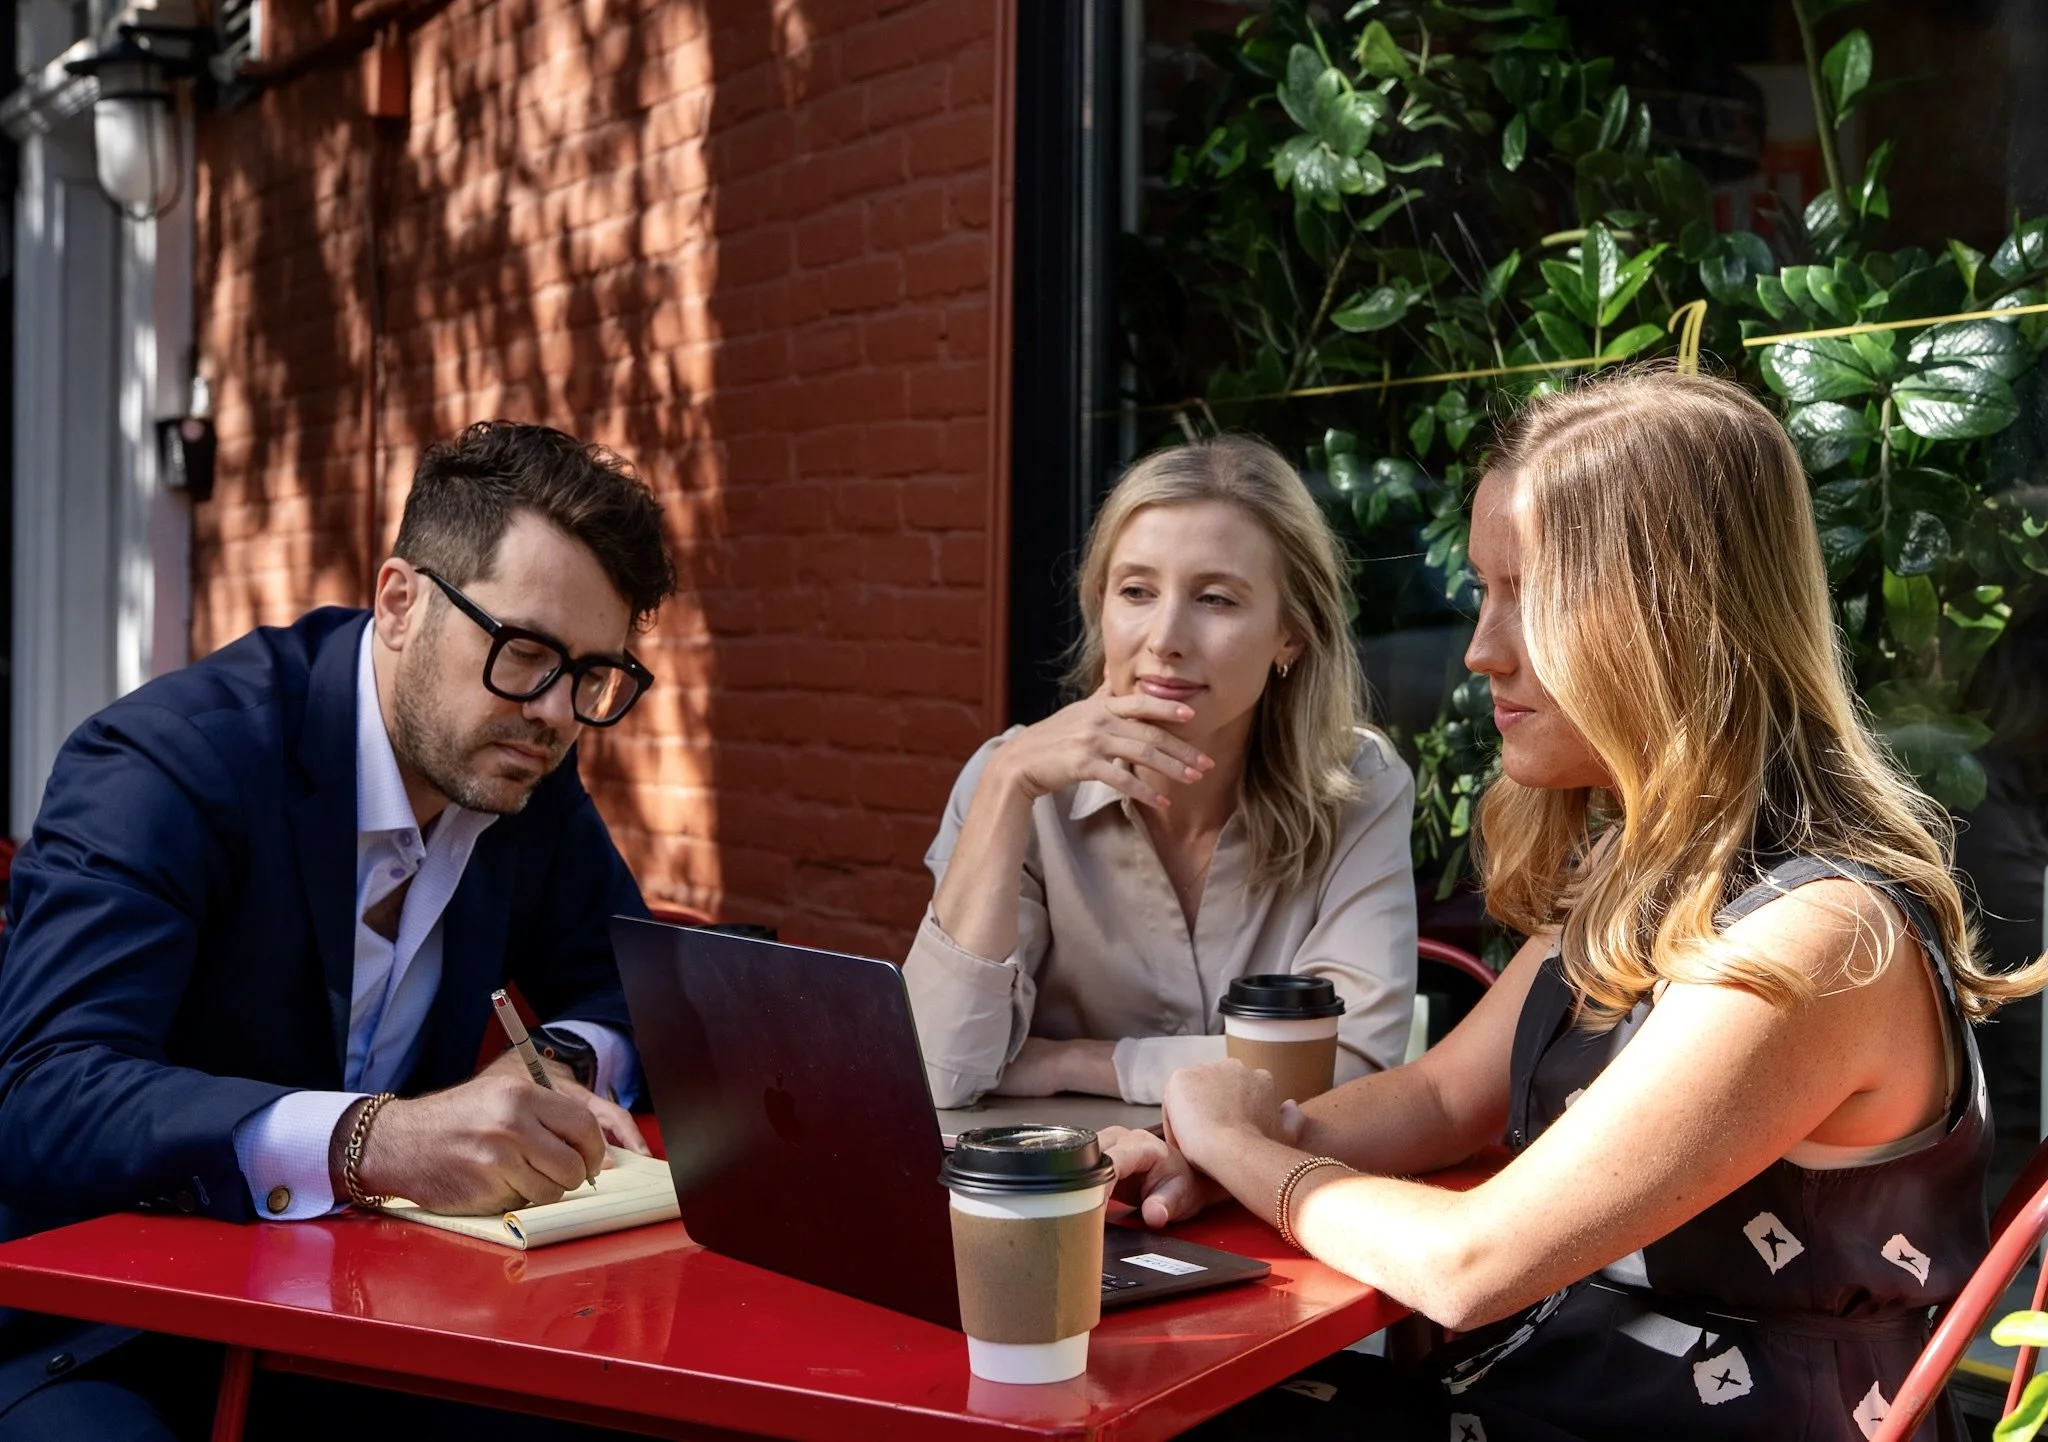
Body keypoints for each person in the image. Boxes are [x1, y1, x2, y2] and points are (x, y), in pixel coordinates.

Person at [1103, 370, 2048, 1441]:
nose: (1479, 648)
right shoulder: (1645, 871)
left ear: (1670, 620)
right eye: (1481, 590)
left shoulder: (1818, 936)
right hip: (1544, 1397)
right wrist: (1207, 1149)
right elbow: (1436, 1098)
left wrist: (1244, 1151)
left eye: (1527, 596)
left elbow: (1468, 1264)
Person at [0, 421, 677, 1439]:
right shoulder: (170, 763)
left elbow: (638, 984)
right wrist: (374, 1139)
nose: (555, 713)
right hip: (105, 1325)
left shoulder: (520, 764)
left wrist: (558, 1065)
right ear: (400, 600)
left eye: (592, 675)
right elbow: (45, 1090)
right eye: (525, 651)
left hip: (377, 1314)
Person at [903, 436, 1417, 1108]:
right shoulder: (1015, 783)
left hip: (1261, 1194)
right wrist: (1007, 786)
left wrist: (1078, 1062)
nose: (1165, 638)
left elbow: (1350, 1063)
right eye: (1137, 591)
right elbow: (936, 1069)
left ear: (1288, 634)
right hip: (1056, 1196)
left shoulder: (1356, 785)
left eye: (1216, 600)